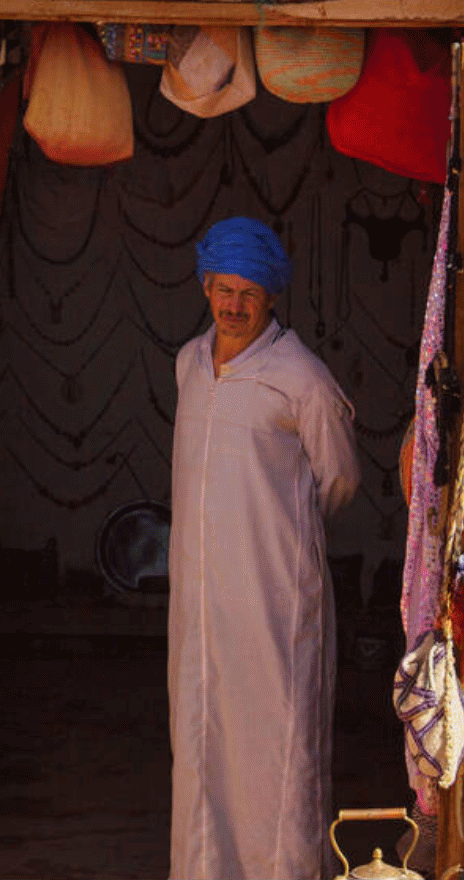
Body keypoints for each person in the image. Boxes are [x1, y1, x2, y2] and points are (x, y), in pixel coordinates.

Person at [169, 217, 361, 880]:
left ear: (272, 297)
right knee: (200, 747)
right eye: (224, 288)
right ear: (204, 285)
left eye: (250, 292)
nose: (234, 305)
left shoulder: (301, 377)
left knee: (276, 756)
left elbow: (339, 479)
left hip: (274, 603)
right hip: (199, 609)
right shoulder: (188, 364)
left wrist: (279, 537)